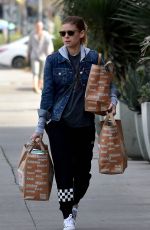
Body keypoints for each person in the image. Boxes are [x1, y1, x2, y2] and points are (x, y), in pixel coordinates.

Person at [31, 16, 118, 230]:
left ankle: (73, 201)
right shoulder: (53, 60)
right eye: (63, 33)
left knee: (83, 173)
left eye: (70, 33)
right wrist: (40, 128)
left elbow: (110, 86)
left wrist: (112, 101)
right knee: (63, 171)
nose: (66, 37)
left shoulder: (95, 58)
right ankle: (67, 216)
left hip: (85, 125)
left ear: (81, 34)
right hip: (59, 124)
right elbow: (47, 94)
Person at [28, 21, 54, 93]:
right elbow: (29, 45)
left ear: (42, 27)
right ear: (35, 26)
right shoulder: (32, 34)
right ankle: (35, 87)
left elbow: (49, 44)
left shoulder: (46, 34)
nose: (38, 27)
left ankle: (39, 86)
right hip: (34, 56)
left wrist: (49, 54)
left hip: (43, 56)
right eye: (37, 26)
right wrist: (27, 55)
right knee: (35, 72)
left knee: (42, 73)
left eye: (40, 26)